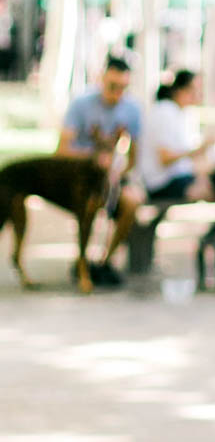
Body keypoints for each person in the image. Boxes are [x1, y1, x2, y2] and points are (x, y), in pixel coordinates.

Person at [57, 54, 144, 286]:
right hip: (81, 175)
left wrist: (118, 170)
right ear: (101, 79)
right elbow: (62, 150)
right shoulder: (81, 104)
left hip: (111, 178)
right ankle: (82, 263)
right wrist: (95, 159)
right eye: (112, 86)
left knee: (133, 201)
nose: (117, 93)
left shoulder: (132, 110)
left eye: (123, 88)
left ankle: (105, 261)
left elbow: (134, 157)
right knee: (90, 204)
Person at [142, 70, 215, 205]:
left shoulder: (184, 114)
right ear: (180, 90)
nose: (199, 95)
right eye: (195, 90)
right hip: (160, 183)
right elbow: (164, 158)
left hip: (178, 178)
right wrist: (197, 151)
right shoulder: (165, 111)